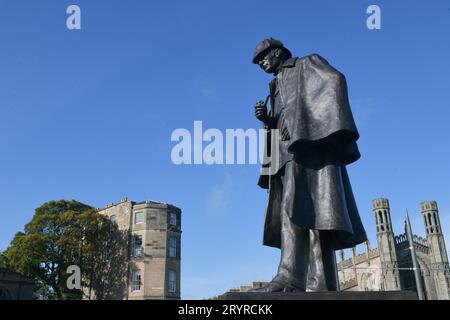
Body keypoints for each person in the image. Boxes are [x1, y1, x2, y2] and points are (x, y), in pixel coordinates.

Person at [252, 38, 367, 292]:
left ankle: (290, 277)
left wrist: (305, 123)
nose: (261, 63)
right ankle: (319, 282)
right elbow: (282, 119)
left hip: (306, 150)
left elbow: (335, 81)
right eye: (258, 61)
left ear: (277, 51)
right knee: (303, 212)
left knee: (303, 212)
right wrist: (268, 120)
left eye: (263, 57)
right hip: (284, 155)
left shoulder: (305, 64)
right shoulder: (275, 86)